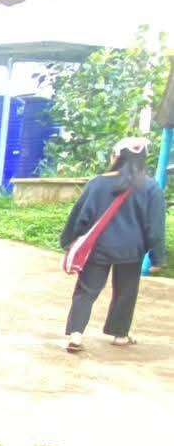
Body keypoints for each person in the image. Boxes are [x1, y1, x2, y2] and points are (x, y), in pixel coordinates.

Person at [60, 136, 166, 352]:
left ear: (117, 157)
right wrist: (157, 257)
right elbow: (155, 227)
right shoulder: (151, 187)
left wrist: (69, 241)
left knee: (86, 291)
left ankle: (76, 335)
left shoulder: (98, 183)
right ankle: (119, 335)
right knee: (126, 291)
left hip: (99, 248)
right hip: (132, 251)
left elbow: (80, 216)